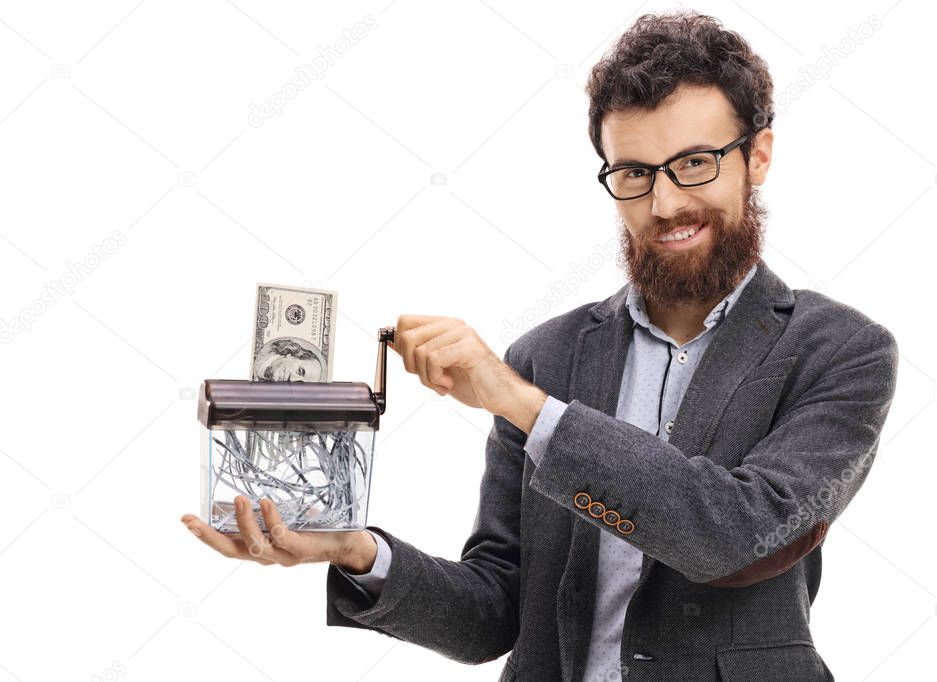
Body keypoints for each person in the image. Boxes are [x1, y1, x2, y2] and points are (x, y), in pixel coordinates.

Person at [181, 10, 897, 681]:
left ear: (758, 155)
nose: (665, 203)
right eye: (633, 173)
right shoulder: (548, 355)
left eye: (696, 163)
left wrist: (524, 407)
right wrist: (356, 550)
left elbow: (738, 534)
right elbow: (492, 611)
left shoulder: (840, 351)